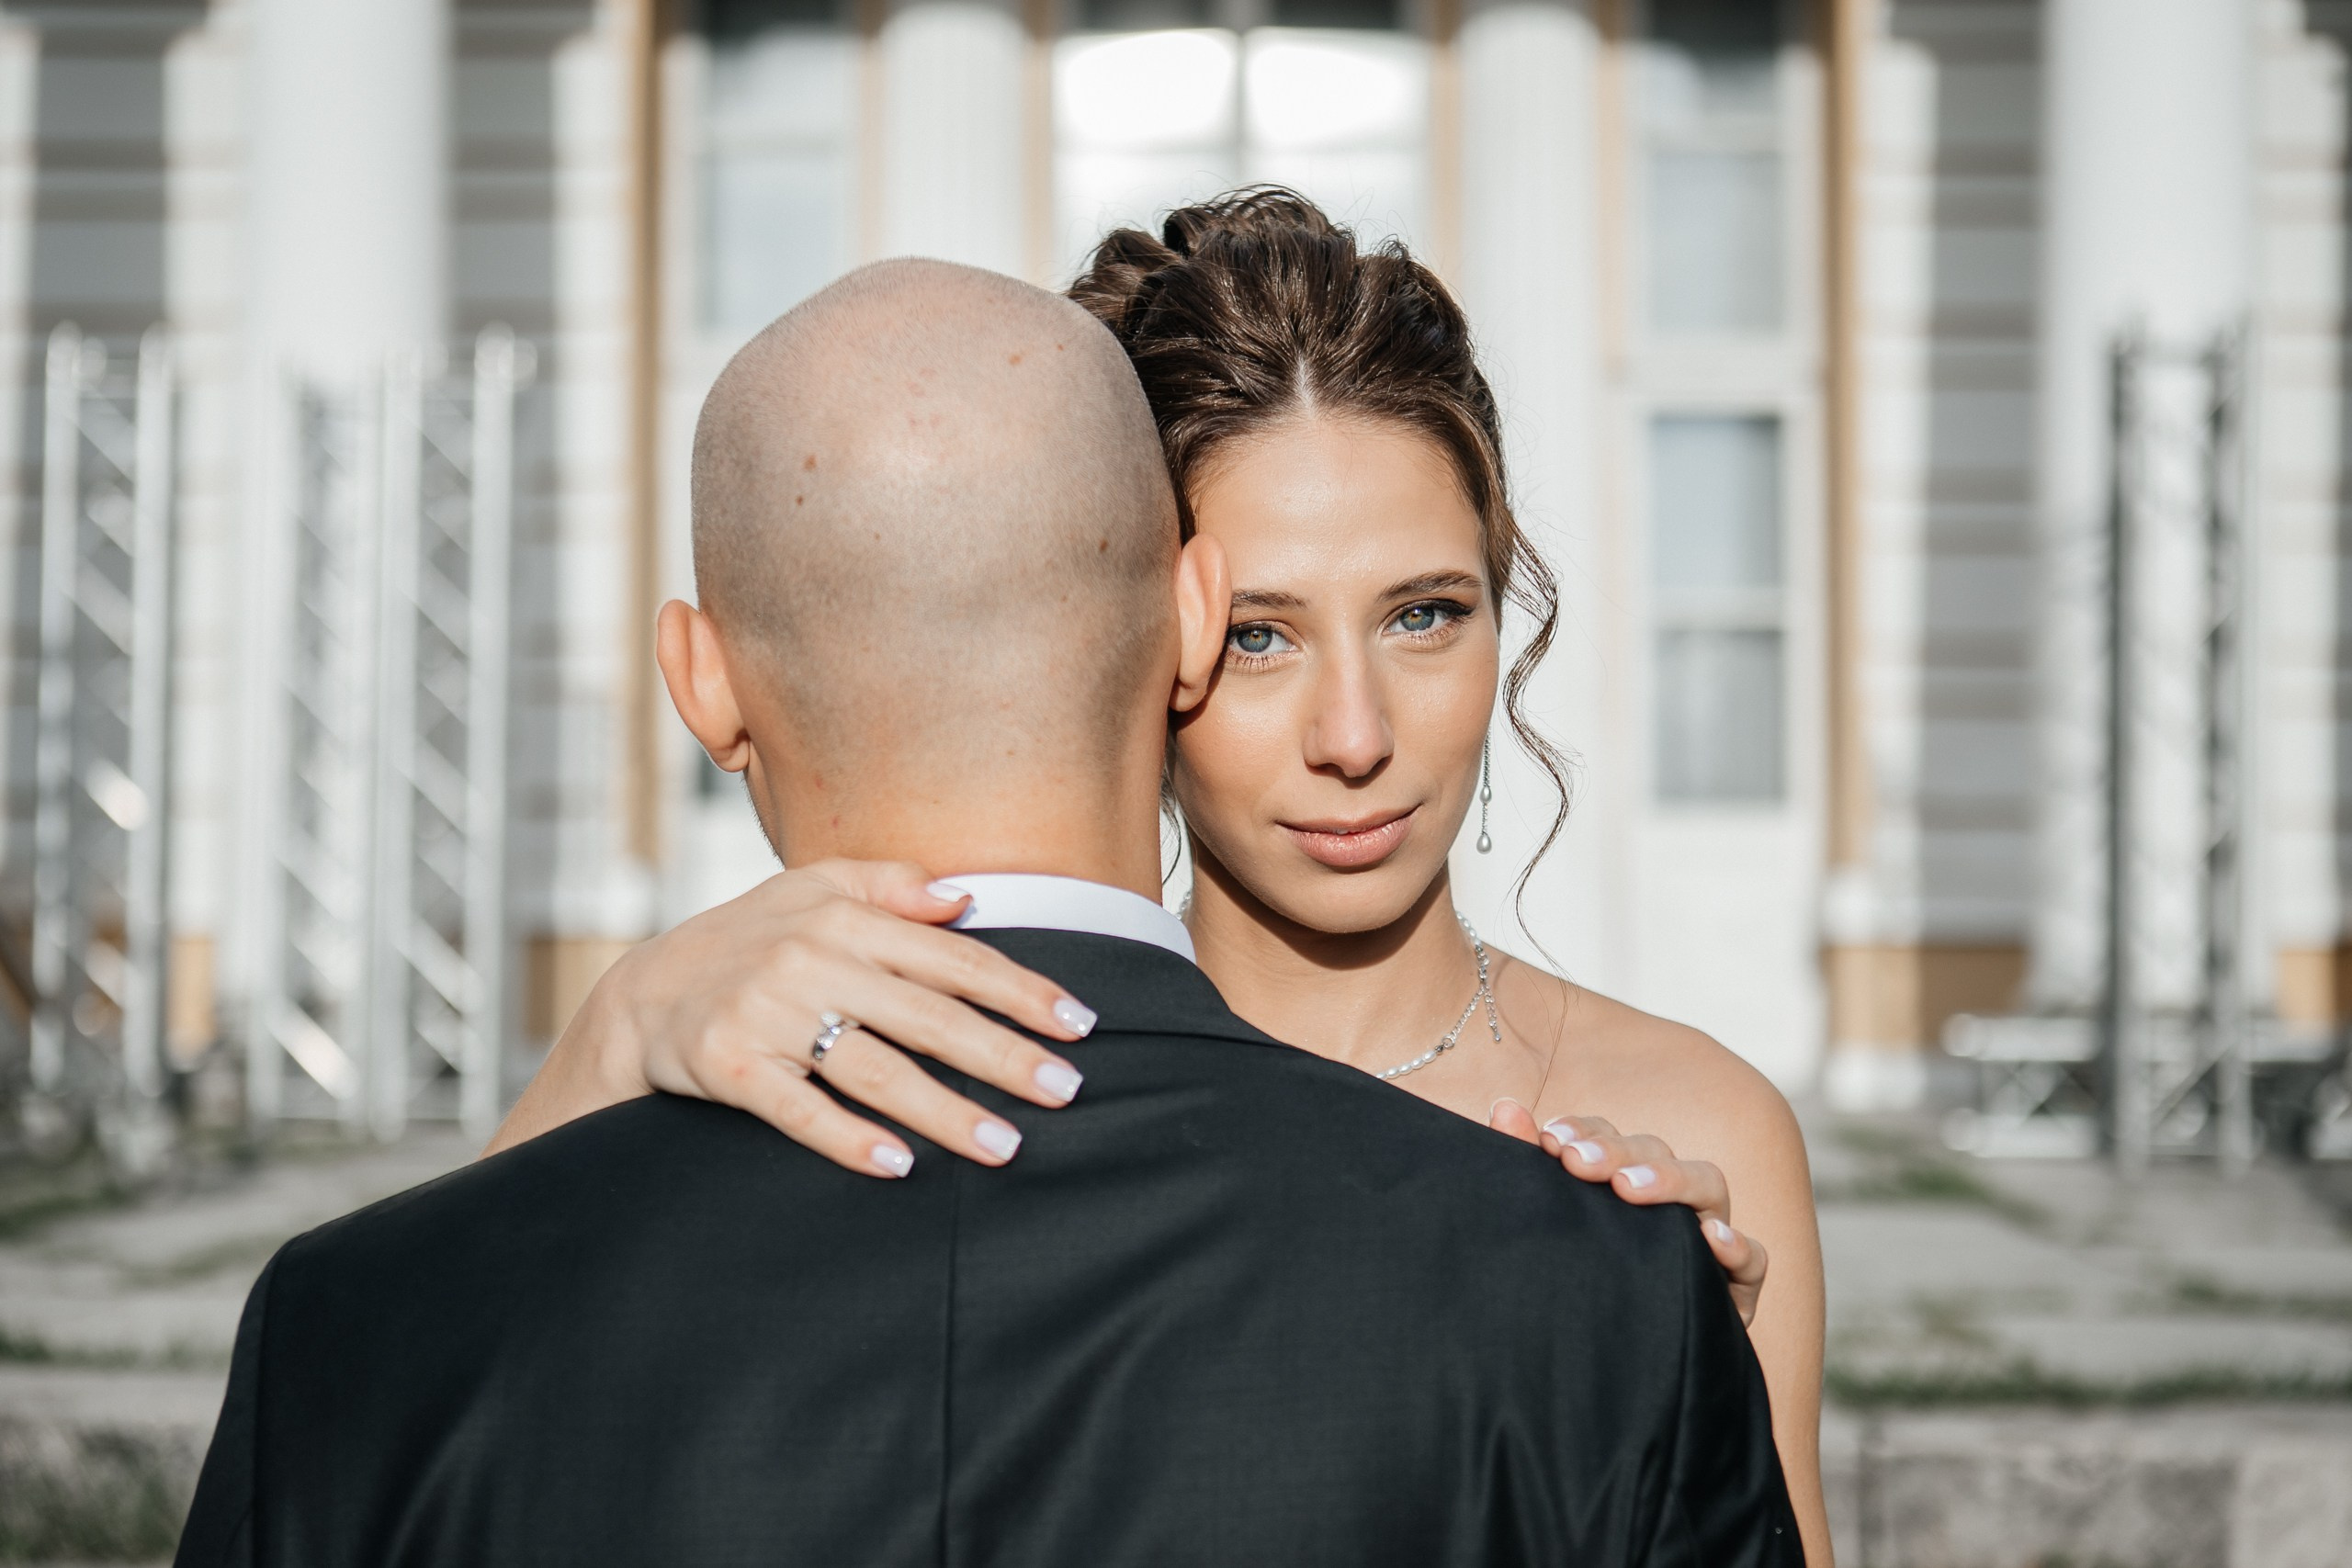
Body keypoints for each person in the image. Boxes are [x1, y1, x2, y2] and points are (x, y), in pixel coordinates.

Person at [174, 258, 1797, 1567]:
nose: (1352, 734)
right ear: (1177, 622)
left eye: (1427, 614)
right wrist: (613, 1037)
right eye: (1266, 639)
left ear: (702, 680)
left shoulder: (1650, 1207)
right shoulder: (1584, 1289)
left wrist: (1654, 1342)